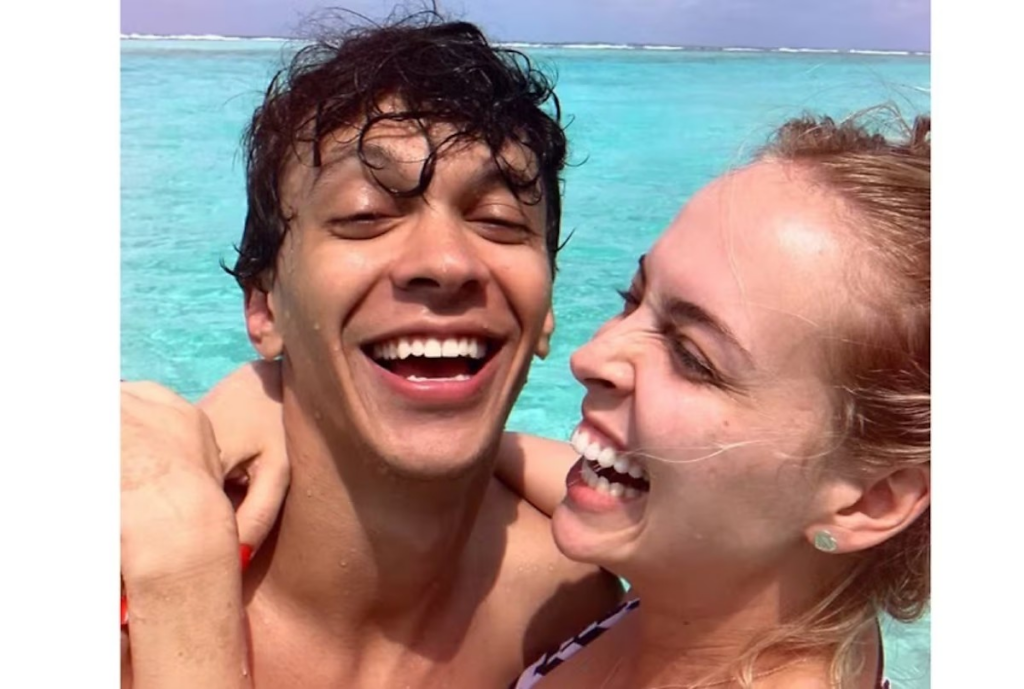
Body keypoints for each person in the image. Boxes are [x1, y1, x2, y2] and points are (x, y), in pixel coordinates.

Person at [184, 109, 931, 688]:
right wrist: (280, 397)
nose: (590, 356)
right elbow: (520, 460)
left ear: (872, 499)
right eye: (633, 298)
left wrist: (177, 584)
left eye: (693, 358)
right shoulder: (738, 600)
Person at [119, 15, 624, 689]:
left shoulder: (572, 612)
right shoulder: (127, 569)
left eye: (499, 221)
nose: (446, 263)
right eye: (364, 216)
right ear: (264, 307)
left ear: (546, 314)